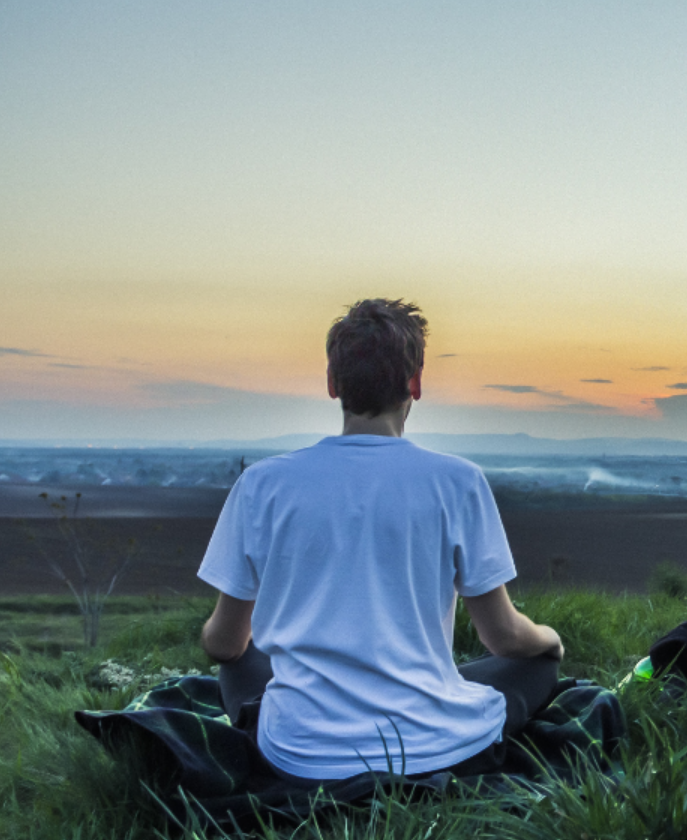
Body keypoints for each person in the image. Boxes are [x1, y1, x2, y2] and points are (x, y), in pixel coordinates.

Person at [197, 298, 563, 783]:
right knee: (535, 666)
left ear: (332, 384)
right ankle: (438, 704)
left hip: (299, 753)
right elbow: (504, 638)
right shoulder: (458, 481)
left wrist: (246, 646)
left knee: (240, 659)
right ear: (414, 383)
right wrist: (550, 641)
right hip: (432, 746)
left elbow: (223, 644)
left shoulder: (262, 484)